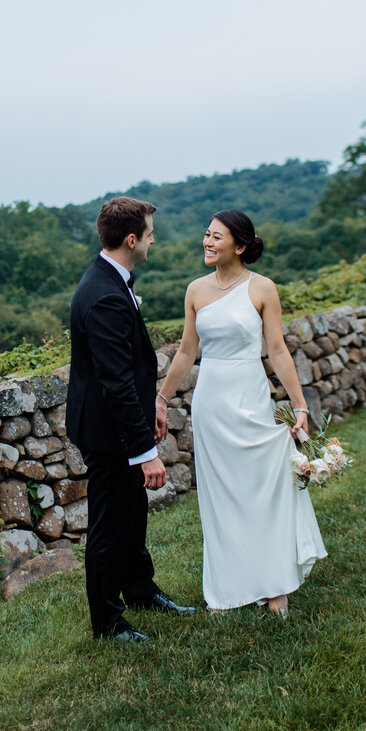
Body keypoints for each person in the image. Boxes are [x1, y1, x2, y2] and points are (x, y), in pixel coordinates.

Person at [156, 209, 326, 617]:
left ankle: (275, 586)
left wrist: (299, 405)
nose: (208, 243)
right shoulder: (195, 289)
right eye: (206, 235)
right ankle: (228, 589)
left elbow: (278, 350)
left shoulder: (263, 288)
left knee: (263, 488)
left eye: (217, 237)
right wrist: (160, 398)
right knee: (220, 497)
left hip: (250, 397)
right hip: (211, 403)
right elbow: (186, 352)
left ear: (241, 245)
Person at [66, 196, 196, 643]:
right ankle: (107, 621)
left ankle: (140, 590)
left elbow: (128, 373)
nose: (154, 239)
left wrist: (151, 412)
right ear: (130, 239)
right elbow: (116, 382)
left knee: (133, 513)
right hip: (106, 433)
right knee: (108, 527)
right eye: (150, 232)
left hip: (122, 424)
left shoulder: (113, 278)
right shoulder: (103, 295)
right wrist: (145, 454)